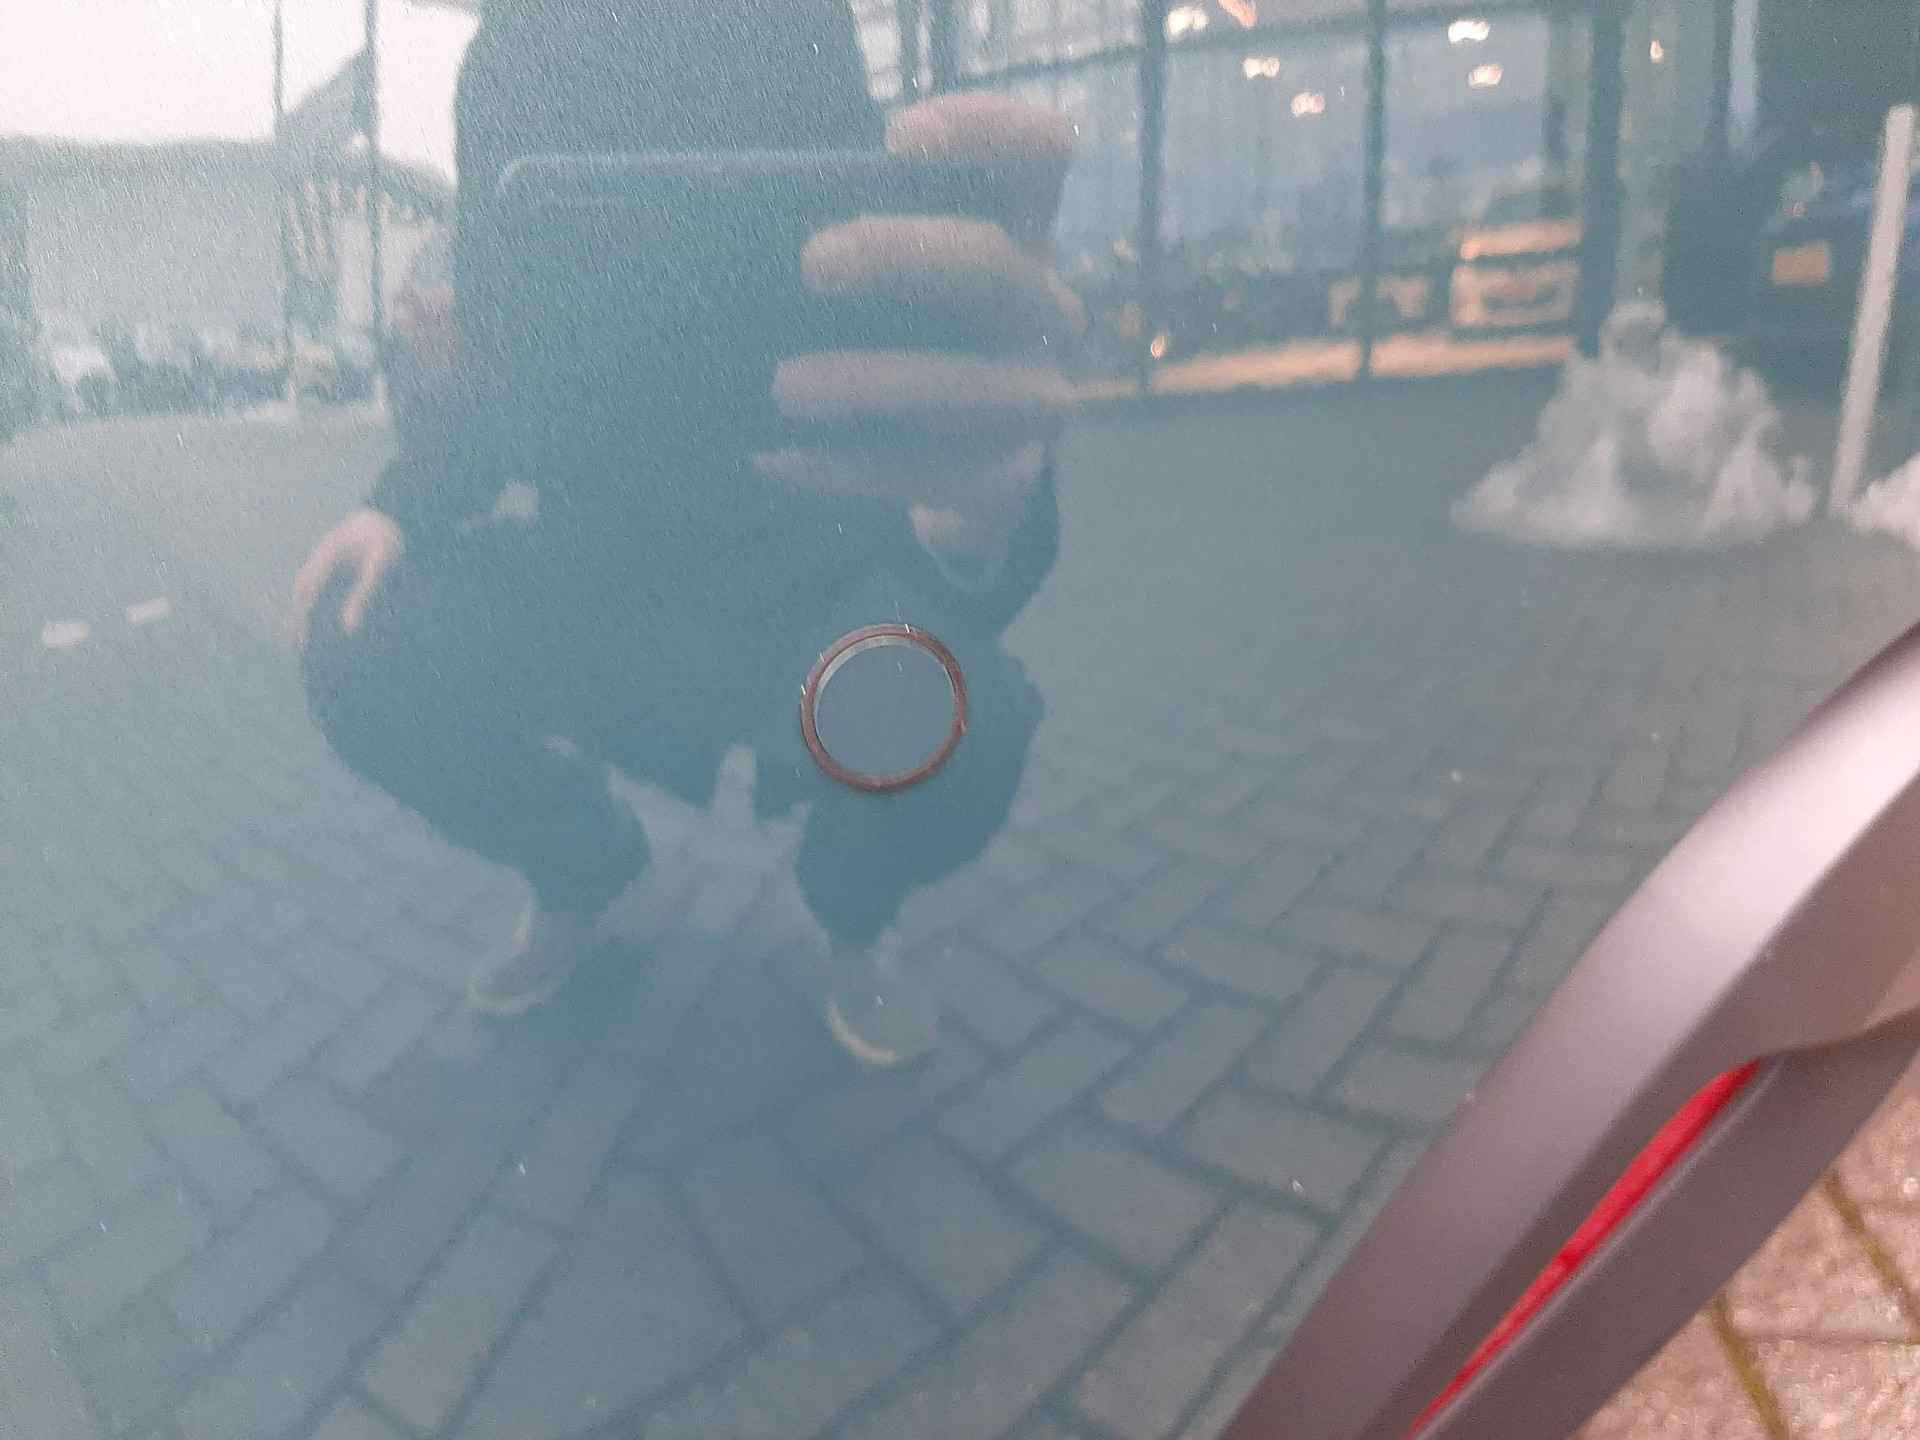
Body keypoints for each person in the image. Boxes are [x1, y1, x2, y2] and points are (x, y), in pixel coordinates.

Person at [291, 0, 1078, 1067]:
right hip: (605, 574)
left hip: (810, 557)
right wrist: (397, 500)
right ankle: (581, 865)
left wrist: (979, 501)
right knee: (357, 644)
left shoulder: (784, 19)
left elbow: (858, 264)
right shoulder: (515, 53)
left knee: (971, 719)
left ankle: (850, 914)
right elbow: (509, 359)